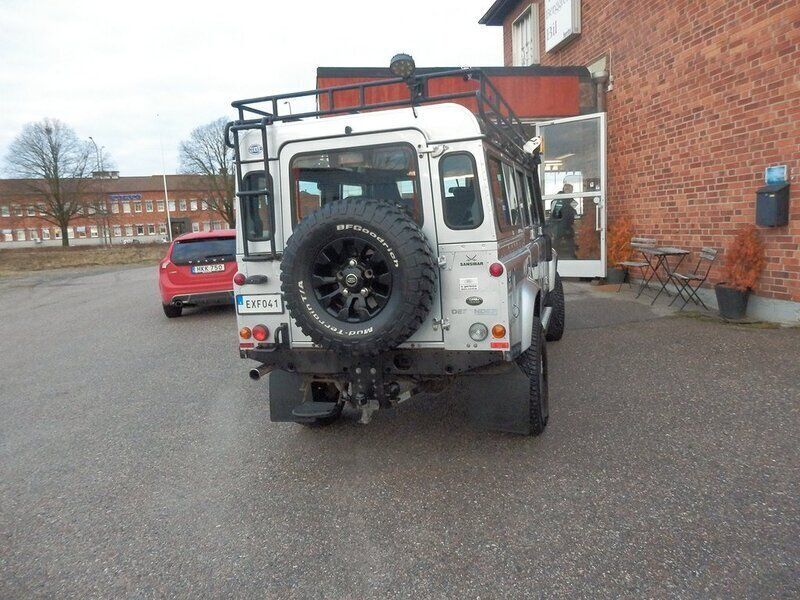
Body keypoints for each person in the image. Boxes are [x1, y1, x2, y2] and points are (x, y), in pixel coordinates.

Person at [548, 183, 577, 258]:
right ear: (565, 190)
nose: (571, 192)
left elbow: (574, 208)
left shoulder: (568, 199)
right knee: (559, 243)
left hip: (565, 225)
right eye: (569, 190)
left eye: (571, 190)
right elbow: (556, 213)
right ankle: (554, 258)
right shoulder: (559, 199)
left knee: (566, 242)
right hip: (559, 225)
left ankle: (571, 257)